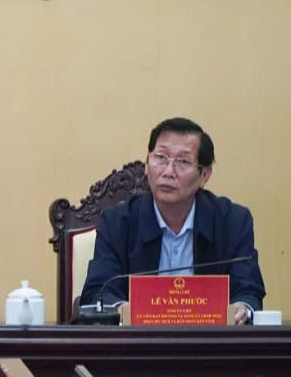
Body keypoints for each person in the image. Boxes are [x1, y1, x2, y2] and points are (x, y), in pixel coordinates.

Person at [80, 117, 265, 324]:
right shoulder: (117, 223)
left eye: (183, 162)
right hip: (138, 341)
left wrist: (242, 308)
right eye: (160, 157)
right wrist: (121, 309)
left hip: (208, 341)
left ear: (204, 175)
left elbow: (249, 290)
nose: (168, 172)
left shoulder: (233, 222)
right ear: (147, 164)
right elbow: (98, 290)